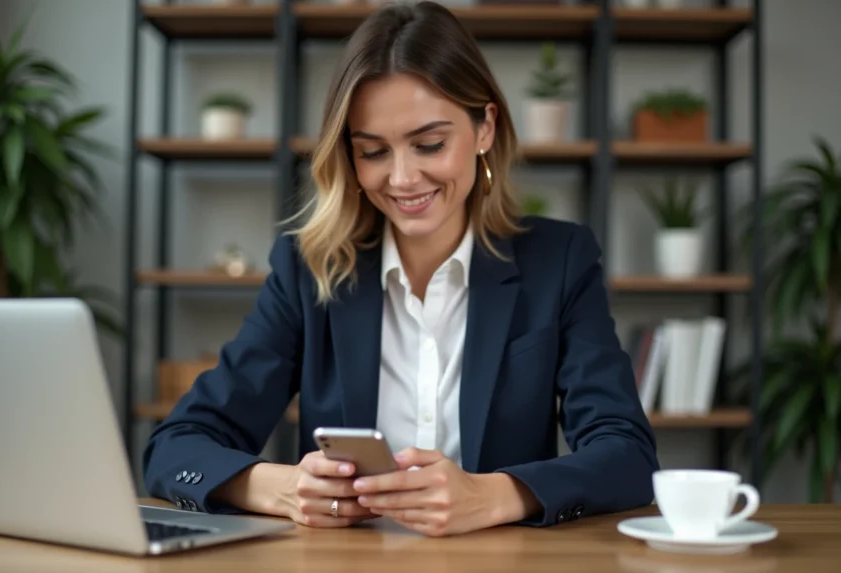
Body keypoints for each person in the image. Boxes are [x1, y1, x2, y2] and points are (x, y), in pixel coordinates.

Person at [142, 0, 659, 537]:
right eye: (373, 152)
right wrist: (285, 489)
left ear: (485, 127)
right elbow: (175, 447)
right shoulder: (309, 269)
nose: (402, 178)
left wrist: (493, 497)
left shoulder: (559, 261)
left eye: (429, 144)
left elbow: (627, 455)